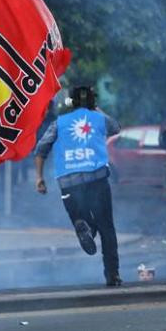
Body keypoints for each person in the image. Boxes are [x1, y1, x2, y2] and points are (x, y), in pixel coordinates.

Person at [34, 86, 122, 287]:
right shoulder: (99, 119)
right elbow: (116, 128)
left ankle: (85, 227)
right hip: (97, 179)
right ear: (93, 101)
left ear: (71, 102)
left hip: (68, 182)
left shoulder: (60, 123)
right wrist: (95, 108)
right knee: (106, 227)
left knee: (81, 217)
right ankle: (112, 274)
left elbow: (41, 149)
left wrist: (39, 178)